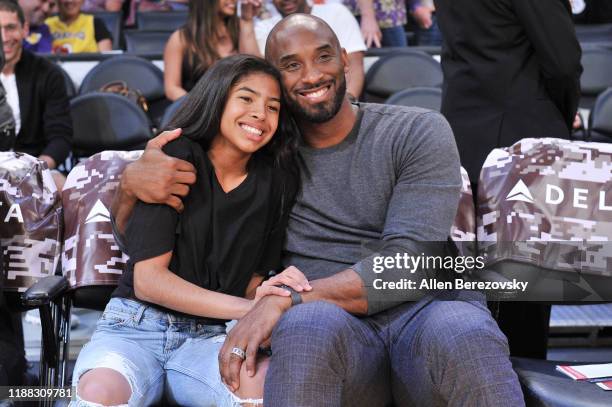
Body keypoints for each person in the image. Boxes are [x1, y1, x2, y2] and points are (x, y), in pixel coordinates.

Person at [115, 14, 524, 406]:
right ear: (276, 80)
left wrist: (285, 300)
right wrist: (129, 188)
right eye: (292, 65)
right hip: (328, 328)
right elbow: (160, 239)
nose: (312, 75)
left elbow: (410, 264)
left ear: (345, 59)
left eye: (323, 56)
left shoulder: (415, 130)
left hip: (423, 316)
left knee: (464, 329)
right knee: (306, 329)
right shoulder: (261, 156)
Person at [72, 54, 310, 406]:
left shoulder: (278, 179)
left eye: (273, 107)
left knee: (263, 389)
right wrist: (253, 309)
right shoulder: (175, 157)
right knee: (98, 396)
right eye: (246, 98)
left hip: (212, 336)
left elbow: (249, 283)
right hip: (135, 327)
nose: (260, 113)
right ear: (218, 99)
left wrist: (265, 294)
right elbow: (149, 281)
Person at [435, 0, 582, 359]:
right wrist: (557, 119)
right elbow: (563, 63)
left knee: (470, 286)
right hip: (523, 138)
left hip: (462, 133)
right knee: (527, 293)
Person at [0, 0, 72, 189]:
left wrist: (36, 169)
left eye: (10, 28)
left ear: (24, 29)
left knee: (62, 186)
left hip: (35, 166)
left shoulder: (49, 74)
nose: (4, 37)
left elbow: (60, 136)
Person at [255, 0, 366, 101]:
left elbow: (355, 66)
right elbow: (257, 72)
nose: (312, 78)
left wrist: (348, 103)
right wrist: (245, 21)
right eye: (292, 65)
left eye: (323, 57)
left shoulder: (335, 12)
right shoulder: (267, 27)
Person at [164, 0, 262, 101]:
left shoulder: (239, 31)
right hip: (196, 109)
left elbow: (256, 72)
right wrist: (198, 107)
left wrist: (246, 21)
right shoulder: (181, 38)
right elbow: (172, 89)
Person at [45, 0, 112, 53]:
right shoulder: (45, 25)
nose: (70, 1)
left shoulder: (95, 23)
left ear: (83, 1)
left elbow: (105, 58)